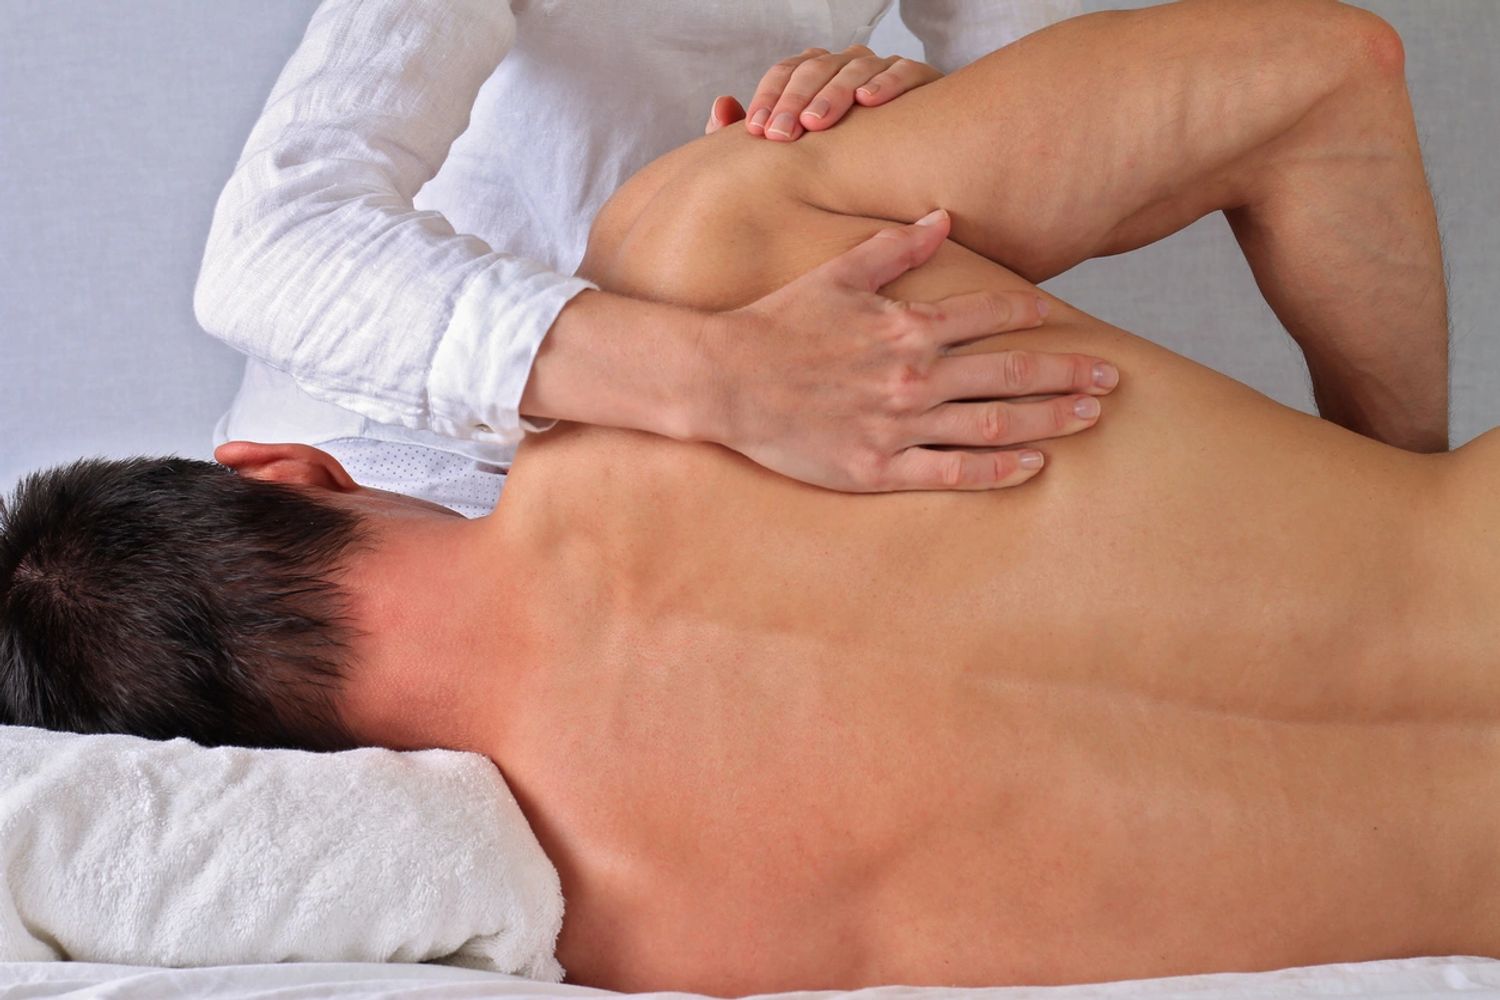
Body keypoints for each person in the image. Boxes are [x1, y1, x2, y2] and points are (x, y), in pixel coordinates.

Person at [1, 0, 1478, 993]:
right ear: (289, 467)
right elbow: (1330, 75)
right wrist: (1381, 496)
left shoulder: (640, 931)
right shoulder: (716, 233)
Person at [196, 0, 1114, 506]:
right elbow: (270, 249)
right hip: (395, 461)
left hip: (741, 442)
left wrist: (918, 119)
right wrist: (732, 379)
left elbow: (1057, 139)